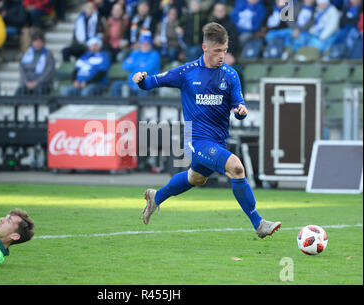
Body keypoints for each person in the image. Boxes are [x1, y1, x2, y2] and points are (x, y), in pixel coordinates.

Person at [133, 22, 281, 239]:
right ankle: (259, 223)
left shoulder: (230, 75)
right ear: (205, 48)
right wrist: (140, 80)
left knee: (196, 178)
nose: (222, 55)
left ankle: (156, 197)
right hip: (197, 140)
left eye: (224, 50)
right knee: (237, 168)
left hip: (218, 141)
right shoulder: (186, 72)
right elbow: (153, 82)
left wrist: (241, 111)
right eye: (217, 51)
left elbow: (239, 106)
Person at [110, 32, 160, 97]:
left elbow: (147, 69)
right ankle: (116, 106)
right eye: (143, 44)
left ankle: (141, 107)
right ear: (140, 44)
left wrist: (134, 64)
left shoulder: (154, 54)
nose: (145, 45)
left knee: (142, 88)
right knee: (116, 85)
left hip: (147, 83)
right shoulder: (135, 53)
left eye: (147, 44)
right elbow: (125, 66)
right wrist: (140, 64)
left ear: (151, 45)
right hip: (131, 83)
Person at [16, 31, 55, 96]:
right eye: (35, 41)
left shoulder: (48, 54)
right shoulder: (27, 53)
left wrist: (36, 82)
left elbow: (49, 72)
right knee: (21, 90)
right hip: (27, 82)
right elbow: (21, 69)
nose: (37, 43)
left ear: (43, 42)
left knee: (38, 90)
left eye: (39, 41)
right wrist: (26, 82)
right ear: (32, 42)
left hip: (42, 83)